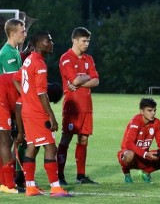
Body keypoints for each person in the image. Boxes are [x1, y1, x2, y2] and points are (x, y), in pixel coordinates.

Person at [12, 31, 71, 197]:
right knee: (50, 147)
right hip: (37, 113)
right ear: (38, 44)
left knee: (32, 147)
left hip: (27, 111)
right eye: (48, 41)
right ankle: (55, 187)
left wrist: (25, 96)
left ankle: (30, 187)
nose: (51, 43)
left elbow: (16, 78)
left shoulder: (29, 60)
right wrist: (51, 115)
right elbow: (41, 93)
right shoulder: (39, 63)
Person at [56, 27, 99, 185]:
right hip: (72, 106)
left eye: (88, 40)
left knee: (84, 140)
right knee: (66, 138)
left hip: (87, 106)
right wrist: (85, 78)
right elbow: (73, 81)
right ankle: (59, 175)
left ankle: (81, 176)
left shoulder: (89, 59)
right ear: (74, 40)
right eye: (84, 40)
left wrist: (81, 79)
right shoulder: (66, 58)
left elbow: (96, 80)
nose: (87, 43)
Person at [117, 98, 160, 183]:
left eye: (154, 110)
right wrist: (145, 154)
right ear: (141, 111)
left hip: (144, 156)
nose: (153, 113)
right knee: (129, 154)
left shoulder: (157, 122)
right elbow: (129, 143)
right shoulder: (136, 121)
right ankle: (126, 174)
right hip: (131, 155)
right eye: (149, 110)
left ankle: (146, 173)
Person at [0, 18, 27, 190]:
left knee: (7, 141)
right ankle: (7, 184)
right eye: (22, 31)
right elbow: (13, 83)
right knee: (4, 140)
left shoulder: (15, 52)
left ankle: (5, 181)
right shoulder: (7, 53)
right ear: (12, 33)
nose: (25, 33)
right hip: (2, 101)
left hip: (9, 101)